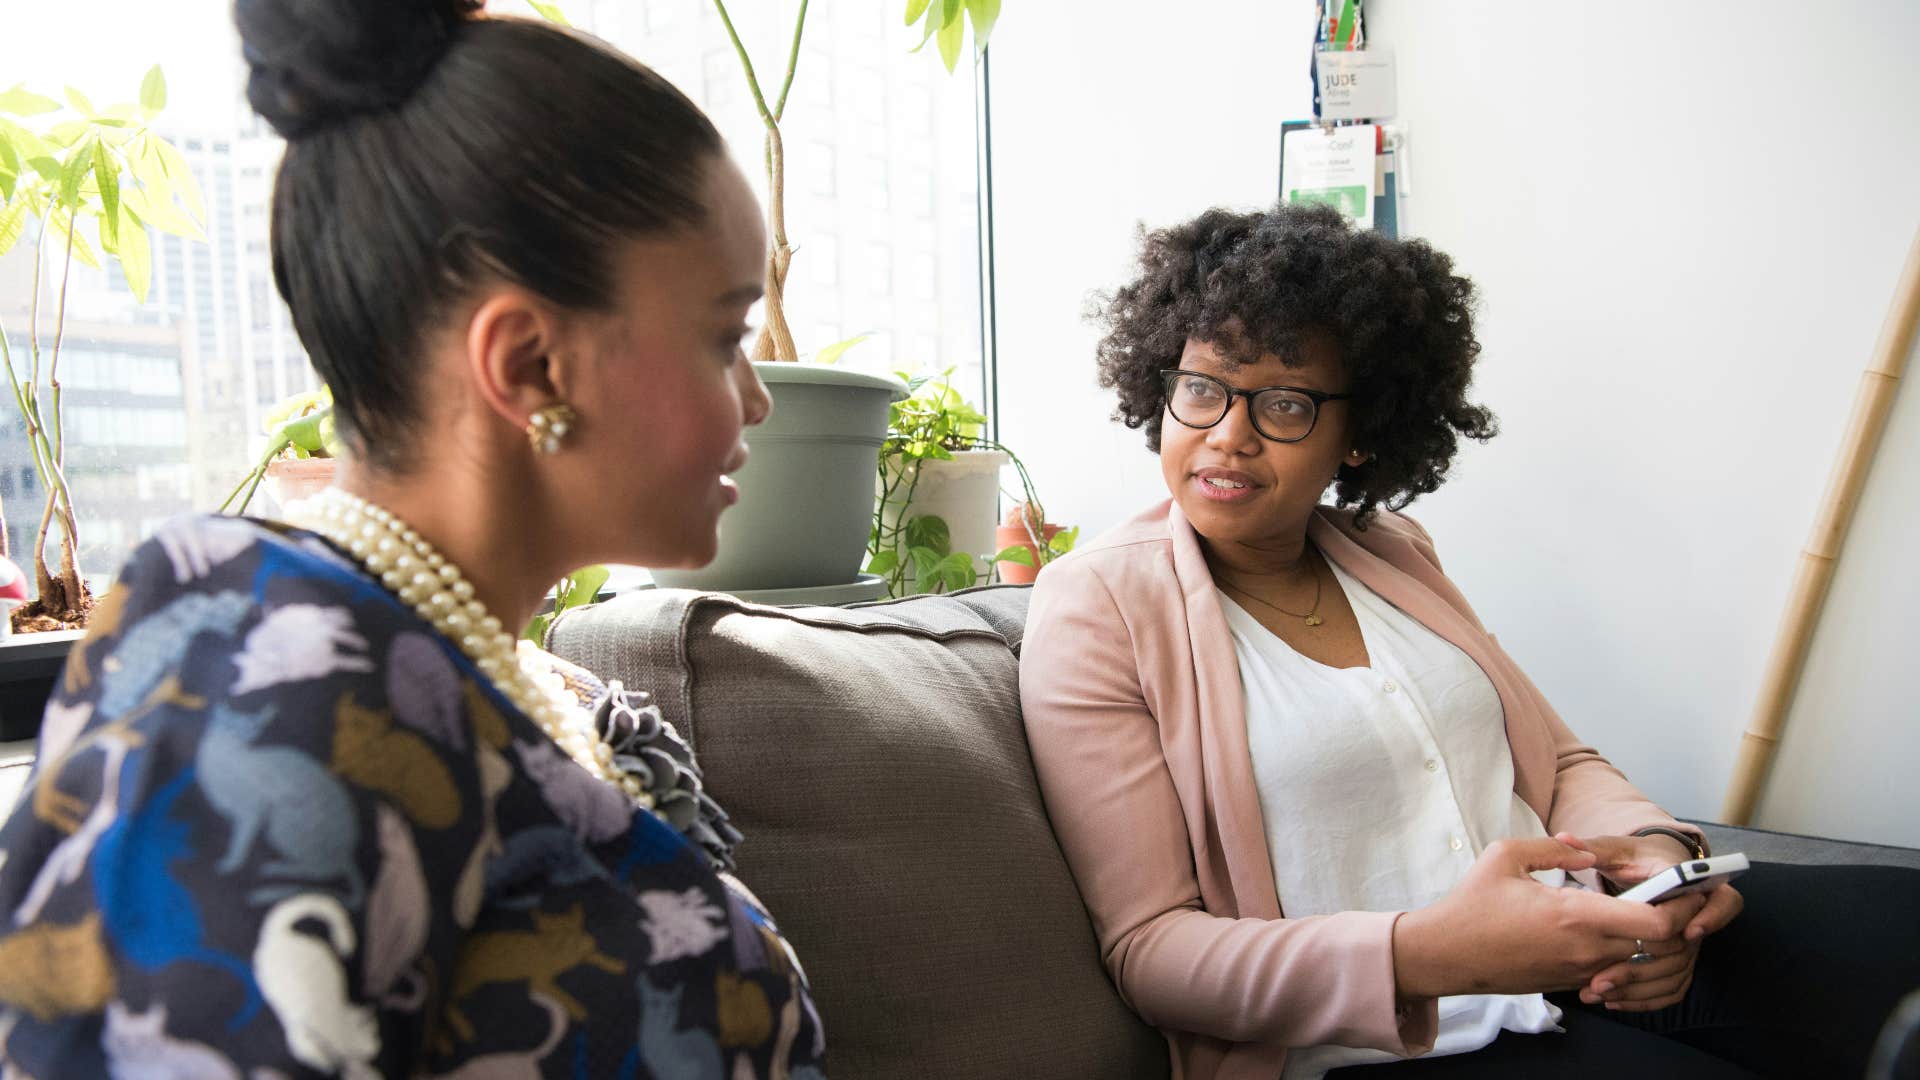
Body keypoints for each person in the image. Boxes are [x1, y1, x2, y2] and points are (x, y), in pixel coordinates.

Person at [0, 1, 828, 1076]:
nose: (755, 400)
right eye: (725, 337)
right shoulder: (268, 684)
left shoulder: (491, 680)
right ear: (531, 365)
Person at [1019, 201, 1920, 1079]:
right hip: (1401, 1039)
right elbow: (1153, 952)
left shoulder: (1394, 552)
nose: (1228, 436)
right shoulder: (1097, 606)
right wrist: (1429, 954)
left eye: (1285, 404)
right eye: (1203, 389)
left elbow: (1559, 763)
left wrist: (1657, 855)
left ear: (1359, 434)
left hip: (1585, 949)